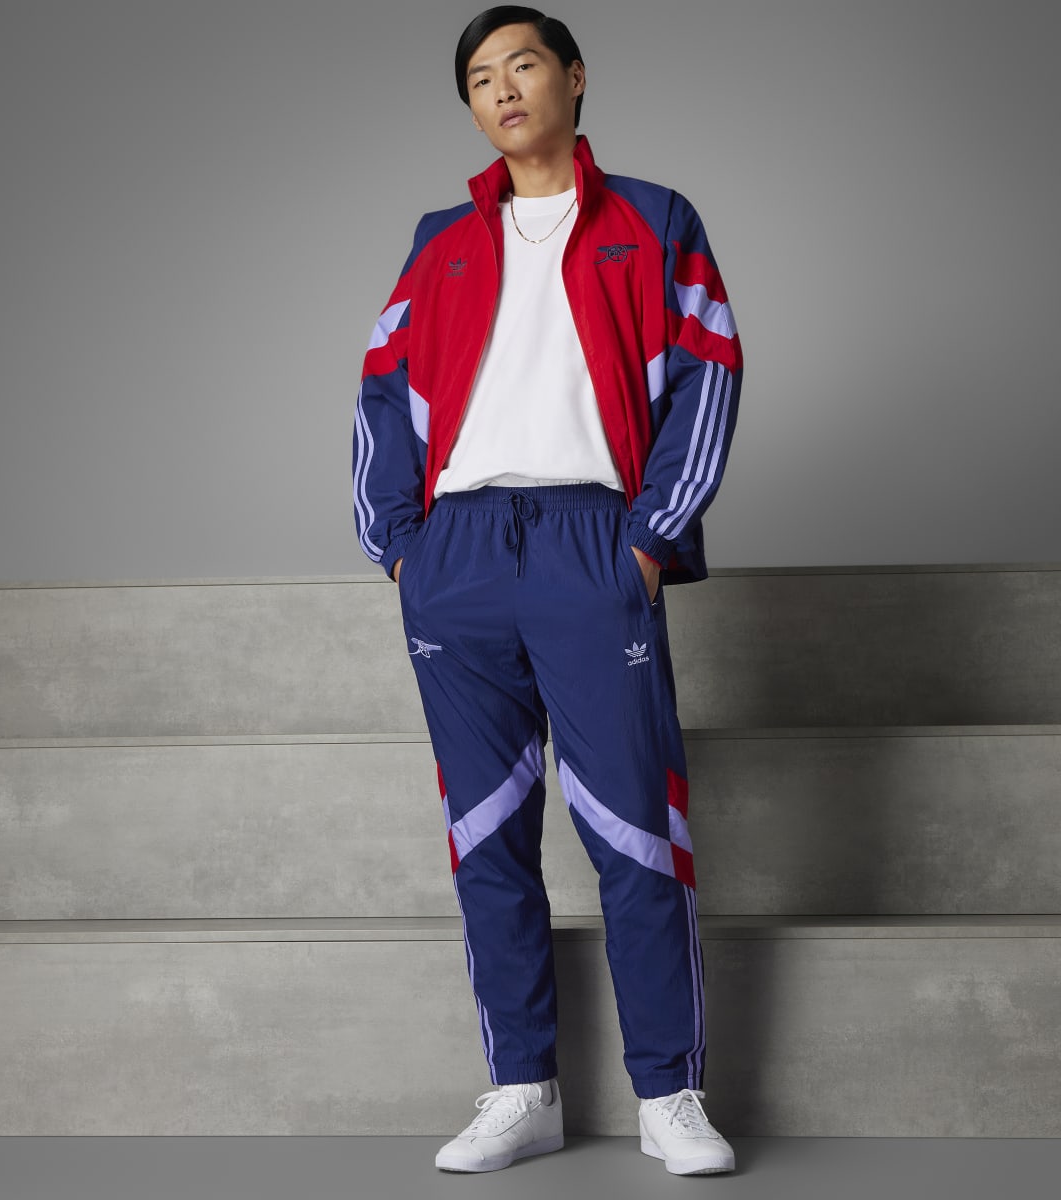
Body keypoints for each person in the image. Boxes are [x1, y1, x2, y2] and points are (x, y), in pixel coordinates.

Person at [352, 4, 742, 1177]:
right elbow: (381, 387)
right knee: (485, 835)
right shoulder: (440, 240)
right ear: (473, 107)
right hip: (458, 554)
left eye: (523, 64)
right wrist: (401, 547)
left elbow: (711, 366)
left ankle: (669, 1093)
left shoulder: (654, 220)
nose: (504, 88)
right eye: (481, 77)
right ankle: (520, 1088)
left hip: (593, 541)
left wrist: (651, 538)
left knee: (634, 831)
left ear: (573, 77)